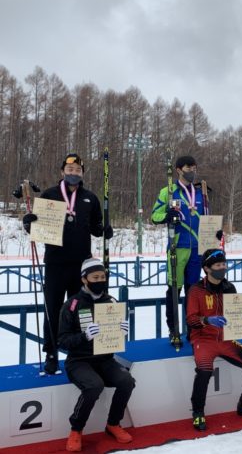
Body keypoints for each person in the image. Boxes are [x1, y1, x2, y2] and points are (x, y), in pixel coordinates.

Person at [22, 153, 113, 374]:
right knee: (53, 309)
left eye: (78, 171)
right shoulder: (50, 194)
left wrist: (104, 230)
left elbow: (96, 227)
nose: (74, 174)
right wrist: (28, 223)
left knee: (81, 310)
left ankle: (80, 351)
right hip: (55, 263)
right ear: (63, 172)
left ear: (82, 173)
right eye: (70, 170)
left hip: (81, 266)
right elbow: (39, 228)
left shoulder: (90, 197)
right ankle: (51, 352)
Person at [58, 258, 135, 452]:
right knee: (94, 386)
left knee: (127, 380)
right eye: (95, 277)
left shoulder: (111, 301)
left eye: (103, 276)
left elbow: (116, 333)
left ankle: (113, 424)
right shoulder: (72, 305)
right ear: (84, 279)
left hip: (105, 358)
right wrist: (84, 336)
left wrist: (123, 331)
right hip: (78, 361)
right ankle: (76, 429)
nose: (100, 280)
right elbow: (63, 340)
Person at [186, 248, 242, 431]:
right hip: (203, 340)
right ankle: (198, 412)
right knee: (205, 370)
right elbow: (190, 320)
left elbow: (236, 310)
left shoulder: (229, 287)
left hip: (226, 339)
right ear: (207, 268)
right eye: (218, 265)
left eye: (224, 264)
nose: (223, 268)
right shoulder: (196, 290)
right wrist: (207, 320)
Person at [151, 155, 210, 344]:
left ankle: (192, 329)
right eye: (188, 167)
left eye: (194, 167)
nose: (192, 171)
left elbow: (208, 219)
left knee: (193, 292)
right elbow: (155, 215)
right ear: (178, 169)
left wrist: (214, 234)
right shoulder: (168, 191)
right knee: (174, 291)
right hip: (178, 247)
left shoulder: (201, 192)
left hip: (197, 250)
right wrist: (166, 215)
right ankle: (173, 329)